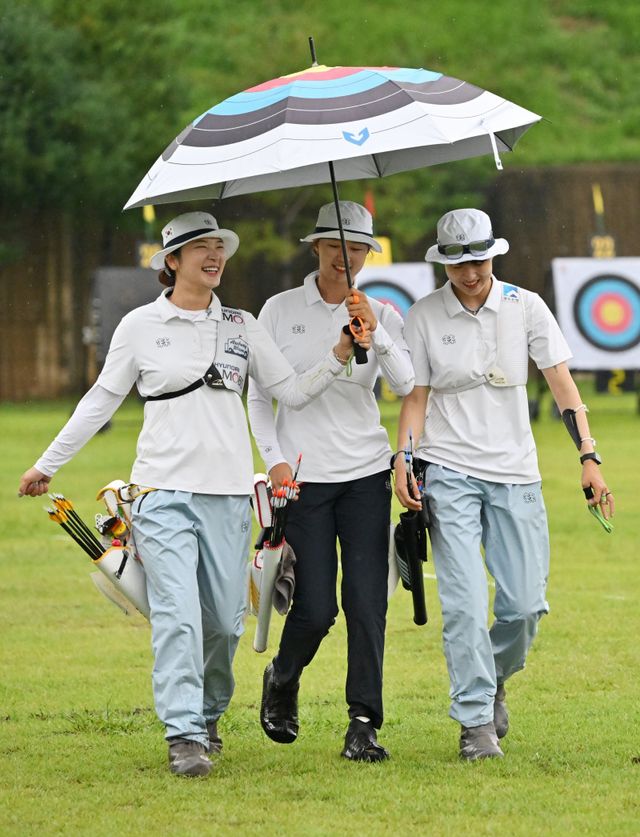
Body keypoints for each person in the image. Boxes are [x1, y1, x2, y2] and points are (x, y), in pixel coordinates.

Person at [18, 211, 365, 778]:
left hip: (227, 496)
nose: (214, 255)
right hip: (160, 494)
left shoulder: (242, 325)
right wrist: (47, 465)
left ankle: (207, 715)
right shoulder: (138, 325)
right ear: (172, 260)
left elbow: (292, 392)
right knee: (177, 616)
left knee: (225, 624)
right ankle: (183, 734)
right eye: (200, 247)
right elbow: (101, 399)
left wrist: (340, 351)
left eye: (219, 246)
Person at [394, 208, 614, 761]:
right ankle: (475, 722)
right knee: (465, 603)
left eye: (479, 262)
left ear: (493, 255)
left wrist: (589, 456)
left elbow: (561, 382)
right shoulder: (422, 315)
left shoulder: (526, 306)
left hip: (516, 472)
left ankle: (491, 678)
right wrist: (404, 458)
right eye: (458, 265)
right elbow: (416, 398)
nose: (470, 274)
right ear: (443, 263)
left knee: (525, 606)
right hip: (448, 471)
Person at [247, 201, 415, 762]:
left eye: (358, 249)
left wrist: (376, 332)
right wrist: (273, 458)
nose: (346, 258)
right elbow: (260, 396)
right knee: (316, 608)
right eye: (336, 247)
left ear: (368, 253)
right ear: (316, 248)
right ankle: (283, 675)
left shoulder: (381, 312)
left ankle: (363, 723)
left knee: (367, 604)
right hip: (304, 480)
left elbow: (406, 383)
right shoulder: (277, 310)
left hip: (366, 473)